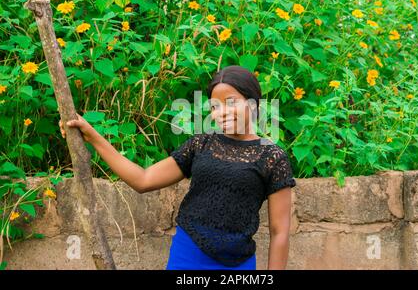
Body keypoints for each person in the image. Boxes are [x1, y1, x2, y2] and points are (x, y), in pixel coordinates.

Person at [59, 65, 297, 270]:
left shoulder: (273, 158)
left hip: (239, 263)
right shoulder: (201, 145)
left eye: (230, 103)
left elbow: (279, 232)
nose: (221, 113)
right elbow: (144, 180)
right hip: (187, 256)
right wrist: (94, 137)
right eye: (214, 106)